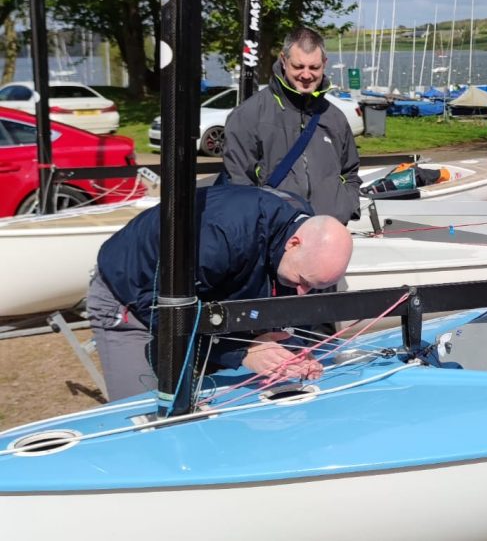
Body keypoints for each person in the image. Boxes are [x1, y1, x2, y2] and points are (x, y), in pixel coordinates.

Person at [87, 185, 354, 401]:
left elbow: (269, 290)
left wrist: (292, 347)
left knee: (222, 403)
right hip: (134, 301)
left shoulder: (298, 235)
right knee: (146, 409)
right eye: (303, 281)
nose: (301, 293)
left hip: (200, 300)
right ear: (293, 243)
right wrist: (242, 352)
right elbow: (166, 310)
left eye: (313, 288)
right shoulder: (220, 235)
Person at [224, 25, 363, 223]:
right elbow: (238, 184)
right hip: (275, 237)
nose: (306, 75)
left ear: (324, 63)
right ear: (284, 60)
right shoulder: (248, 115)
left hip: (330, 233)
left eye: (314, 67)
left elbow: (350, 172)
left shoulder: (335, 117)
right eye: (298, 66)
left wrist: (346, 207)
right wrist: (261, 225)